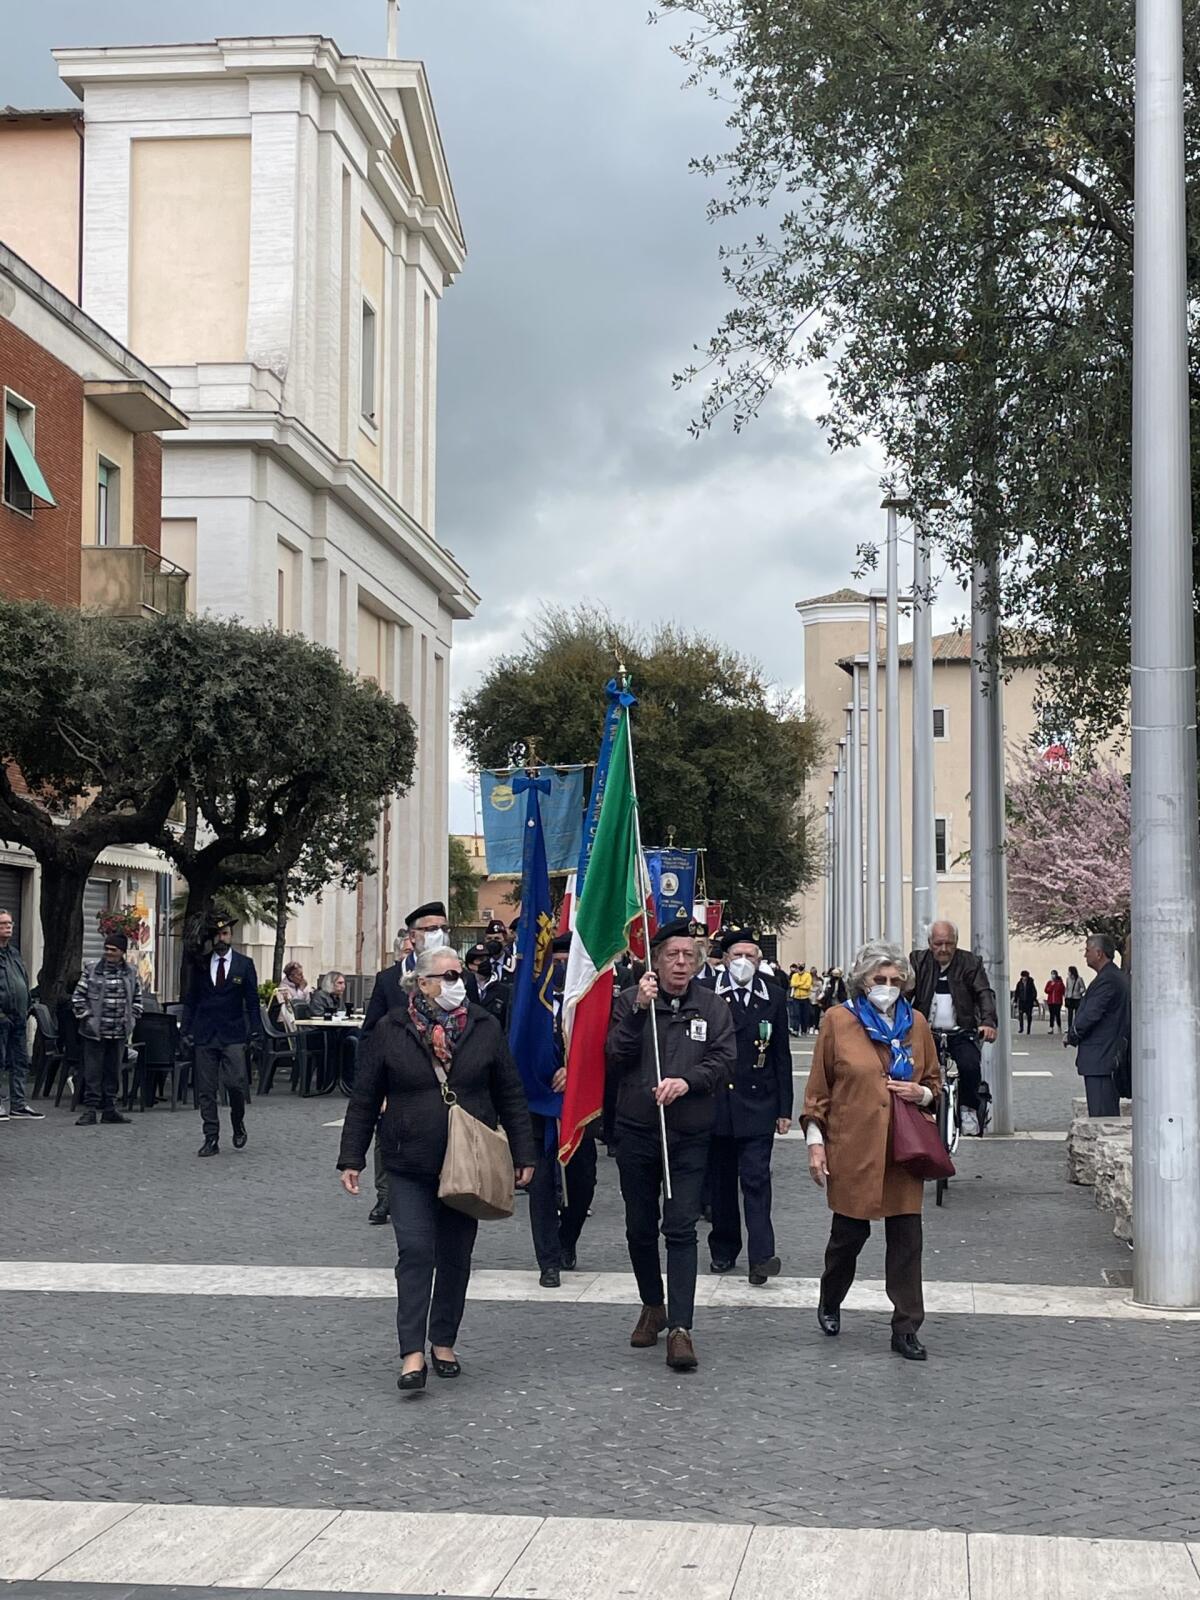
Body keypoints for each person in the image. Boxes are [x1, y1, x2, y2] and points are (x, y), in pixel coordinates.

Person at [336, 946, 537, 1392]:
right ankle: (411, 1352)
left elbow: (509, 1092)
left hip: (468, 1163)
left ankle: (443, 1341)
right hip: (408, 1160)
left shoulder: (484, 1026)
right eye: (447, 976)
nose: (456, 984)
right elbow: (365, 1096)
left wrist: (524, 1153)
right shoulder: (392, 1029)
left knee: (455, 1256)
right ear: (422, 983)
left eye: (459, 975)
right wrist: (352, 1157)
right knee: (416, 1252)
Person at [605, 918, 736, 1372]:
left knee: (679, 1227)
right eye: (672, 955)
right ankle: (651, 1304)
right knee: (640, 1227)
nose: (681, 963)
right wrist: (640, 1009)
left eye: (689, 956)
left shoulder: (713, 1007)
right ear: (655, 960)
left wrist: (688, 1081)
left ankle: (681, 1327)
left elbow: (723, 1061)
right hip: (638, 1129)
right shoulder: (629, 1001)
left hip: (689, 1132)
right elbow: (615, 1055)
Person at [803, 939, 941, 1361]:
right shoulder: (837, 1021)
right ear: (861, 982)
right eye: (878, 979)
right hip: (854, 1147)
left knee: (907, 1241)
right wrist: (815, 1145)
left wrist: (921, 1094)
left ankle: (906, 1326)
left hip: (903, 1150)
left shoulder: (916, 1024)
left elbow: (935, 1084)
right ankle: (831, 1297)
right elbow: (817, 1093)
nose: (887, 986)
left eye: (895, 980)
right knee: (848, 1238)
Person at [706, 932, 792, 1284]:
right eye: (737, 954)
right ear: (725, 959)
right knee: (721, 1184)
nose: (744, 961)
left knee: (756, 1180)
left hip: (758, 1101)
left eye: (751, 956)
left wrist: (784, 1108)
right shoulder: (707, 995)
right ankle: (724, 1250)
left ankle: (762, 1257)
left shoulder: (772, 996)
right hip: (717, 1103)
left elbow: (781, 1055)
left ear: (760, 961)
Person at [526, 933, 598, 1286]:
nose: (563, 968)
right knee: (540, 1184)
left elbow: (604, 1047)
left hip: (579, 1107)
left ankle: (567, 1240)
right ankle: (548, 1261)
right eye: (556, 962)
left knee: (583, 1183)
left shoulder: (586, 1001)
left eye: (569, 962)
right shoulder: (530, 1002)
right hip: (538, 1108)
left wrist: (576, 1072)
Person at [908, 921, 999, 1137]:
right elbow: (906, 992)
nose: (944, 949)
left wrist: (987, 1022)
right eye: (938, 943)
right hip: (926, 1031)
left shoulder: (969, 963)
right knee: (915, 1069)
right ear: (930, 943)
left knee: (969, 1066)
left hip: (961, 1030)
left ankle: (968, 1108)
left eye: (949, 943)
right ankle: (918, 1111)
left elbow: (984, 993)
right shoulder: (918, 961)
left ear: (956, 943)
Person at [182, 917, 262, 1157]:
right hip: (205, 1034)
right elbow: (191, 1000)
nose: (221, 939)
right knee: (205, 1090)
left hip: (233, 1034)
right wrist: (185, 1031)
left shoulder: (244, 965)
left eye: (225, 934)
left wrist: (256, 1031)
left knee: (236, 1083)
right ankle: (211, 1137)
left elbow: (253, 1001)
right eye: (217, 935)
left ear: (231, 935)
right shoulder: (201, 965)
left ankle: (238, 1122)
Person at [72, 932, 143, 1125]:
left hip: (119, 1031)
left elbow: (137, 999)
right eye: (107, 949)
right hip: (95, 1032)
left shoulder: (131, 972)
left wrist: (132, 1017)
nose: (109, 953)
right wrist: (88, 1017)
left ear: (122, 952)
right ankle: (90, 1110)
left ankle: (111, 1109)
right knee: (93, 1072)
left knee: (114, 1071)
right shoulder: (92, 970)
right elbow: (78, 997)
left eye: (114, 950)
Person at [363, 902, 462, 1032]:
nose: (440, 935)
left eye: (444, 929)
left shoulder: (462, 977)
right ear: (413, 936)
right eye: (432, 929)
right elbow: (371, 1032)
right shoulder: (388, 979)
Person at [1070, 934, 1131, 1116]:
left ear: (1099, 953)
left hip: (1102, 1058)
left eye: (1087, 950)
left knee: (1102, 1116)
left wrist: (1072, 1034)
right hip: (1104, 1056)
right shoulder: (1111, 977)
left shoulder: (1108, 980)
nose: (1085, 955)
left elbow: (1091, 1014)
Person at [0, 908, 42, 1121]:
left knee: (20, 1061)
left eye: (10, 923)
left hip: (18, 1017)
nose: (8, 927)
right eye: (3, 924)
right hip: (1, 1017)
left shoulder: (14, 953)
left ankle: (18, 1104)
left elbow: (21, 980)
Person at [1064, 965, 1086, 1036]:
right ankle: (1069, 1027)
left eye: (1069, 971)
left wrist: (1079, 993)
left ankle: (1076, 1027)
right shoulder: (1068, 979)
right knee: (1069, 1014)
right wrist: (1066, 995)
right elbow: (1067, 988)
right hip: (1070, 998)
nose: (1068, 973)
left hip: (1077, 998)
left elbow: (1083, 988)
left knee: (1077, 1014)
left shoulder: (1079, 979)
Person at [1015, 970, 1038, 1035]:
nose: (1024, 978)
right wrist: (1015, 1001)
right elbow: (1017, 992)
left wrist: (1033, 999)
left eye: (1026, 977)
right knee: (1020, 1015)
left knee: (1029, 1016)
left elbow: (1034, 992)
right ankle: (1021, 1028)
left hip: (1029, 1002)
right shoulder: (1019, 983)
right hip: (1021, 1002)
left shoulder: (1031, 983)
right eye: (1023, 977)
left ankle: (1028, 1029)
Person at [1045, 970, 1066, 1035]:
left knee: (1057, 1014)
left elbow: (1063, 991)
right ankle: (1051, 1027)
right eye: (1052, 974)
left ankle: (1059, 1027)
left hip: (1057, 1001)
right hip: (1050, 1001)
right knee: (1051, 1015)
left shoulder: (1060, 983)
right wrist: (1051, 985)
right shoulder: (1049, 982)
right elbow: (1046, 990)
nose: (1053, 976)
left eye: (1054, 974)